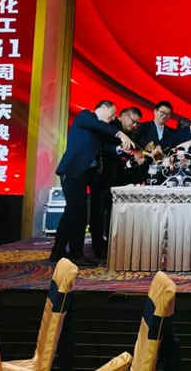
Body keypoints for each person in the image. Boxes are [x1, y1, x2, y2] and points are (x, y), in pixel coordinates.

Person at [50, 101, 134, 265]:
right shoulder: (86, 116)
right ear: (103, 108)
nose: (113, 118)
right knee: (78, 214)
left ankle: (57, 252)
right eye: (112, 114)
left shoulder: (97, 128)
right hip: (73, 171)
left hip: (85, 174)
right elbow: (101, 127)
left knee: (71, 213)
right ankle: (76, 254)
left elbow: (103, 146)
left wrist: (119, 149)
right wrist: (120, 134)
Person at [89, 106, 142, 260]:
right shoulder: (111, 126)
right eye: (133, 121)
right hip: (101, 176)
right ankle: (98, 247)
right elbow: (101, 146)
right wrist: (119, 149)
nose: (135, 126)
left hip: (117, 178)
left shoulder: (129, 132)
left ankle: (110, 245)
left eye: (137, 123)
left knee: (112, 212)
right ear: (123, 116)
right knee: (99, 212)